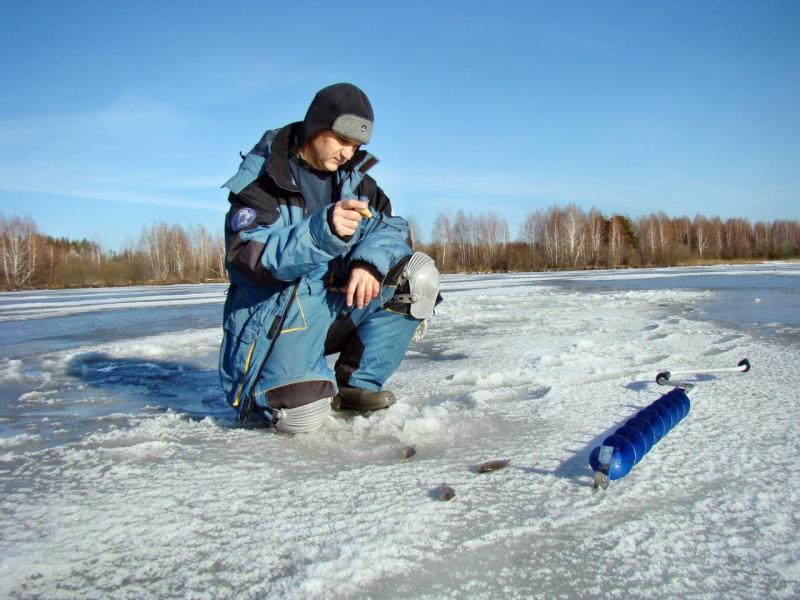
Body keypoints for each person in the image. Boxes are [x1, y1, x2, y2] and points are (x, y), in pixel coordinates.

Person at [219, 83, 440, 433]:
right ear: (315, 127)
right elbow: (254, 258)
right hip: (280, 319)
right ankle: (281, 384)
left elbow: (393, 229)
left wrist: (367, 263)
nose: (348, 153)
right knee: (303, 420)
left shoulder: (357, 182)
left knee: (416, 278)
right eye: (341, 140)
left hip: (335, 305)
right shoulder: (262, 180)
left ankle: (357, 385)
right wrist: (324, 231)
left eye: (356, 146)